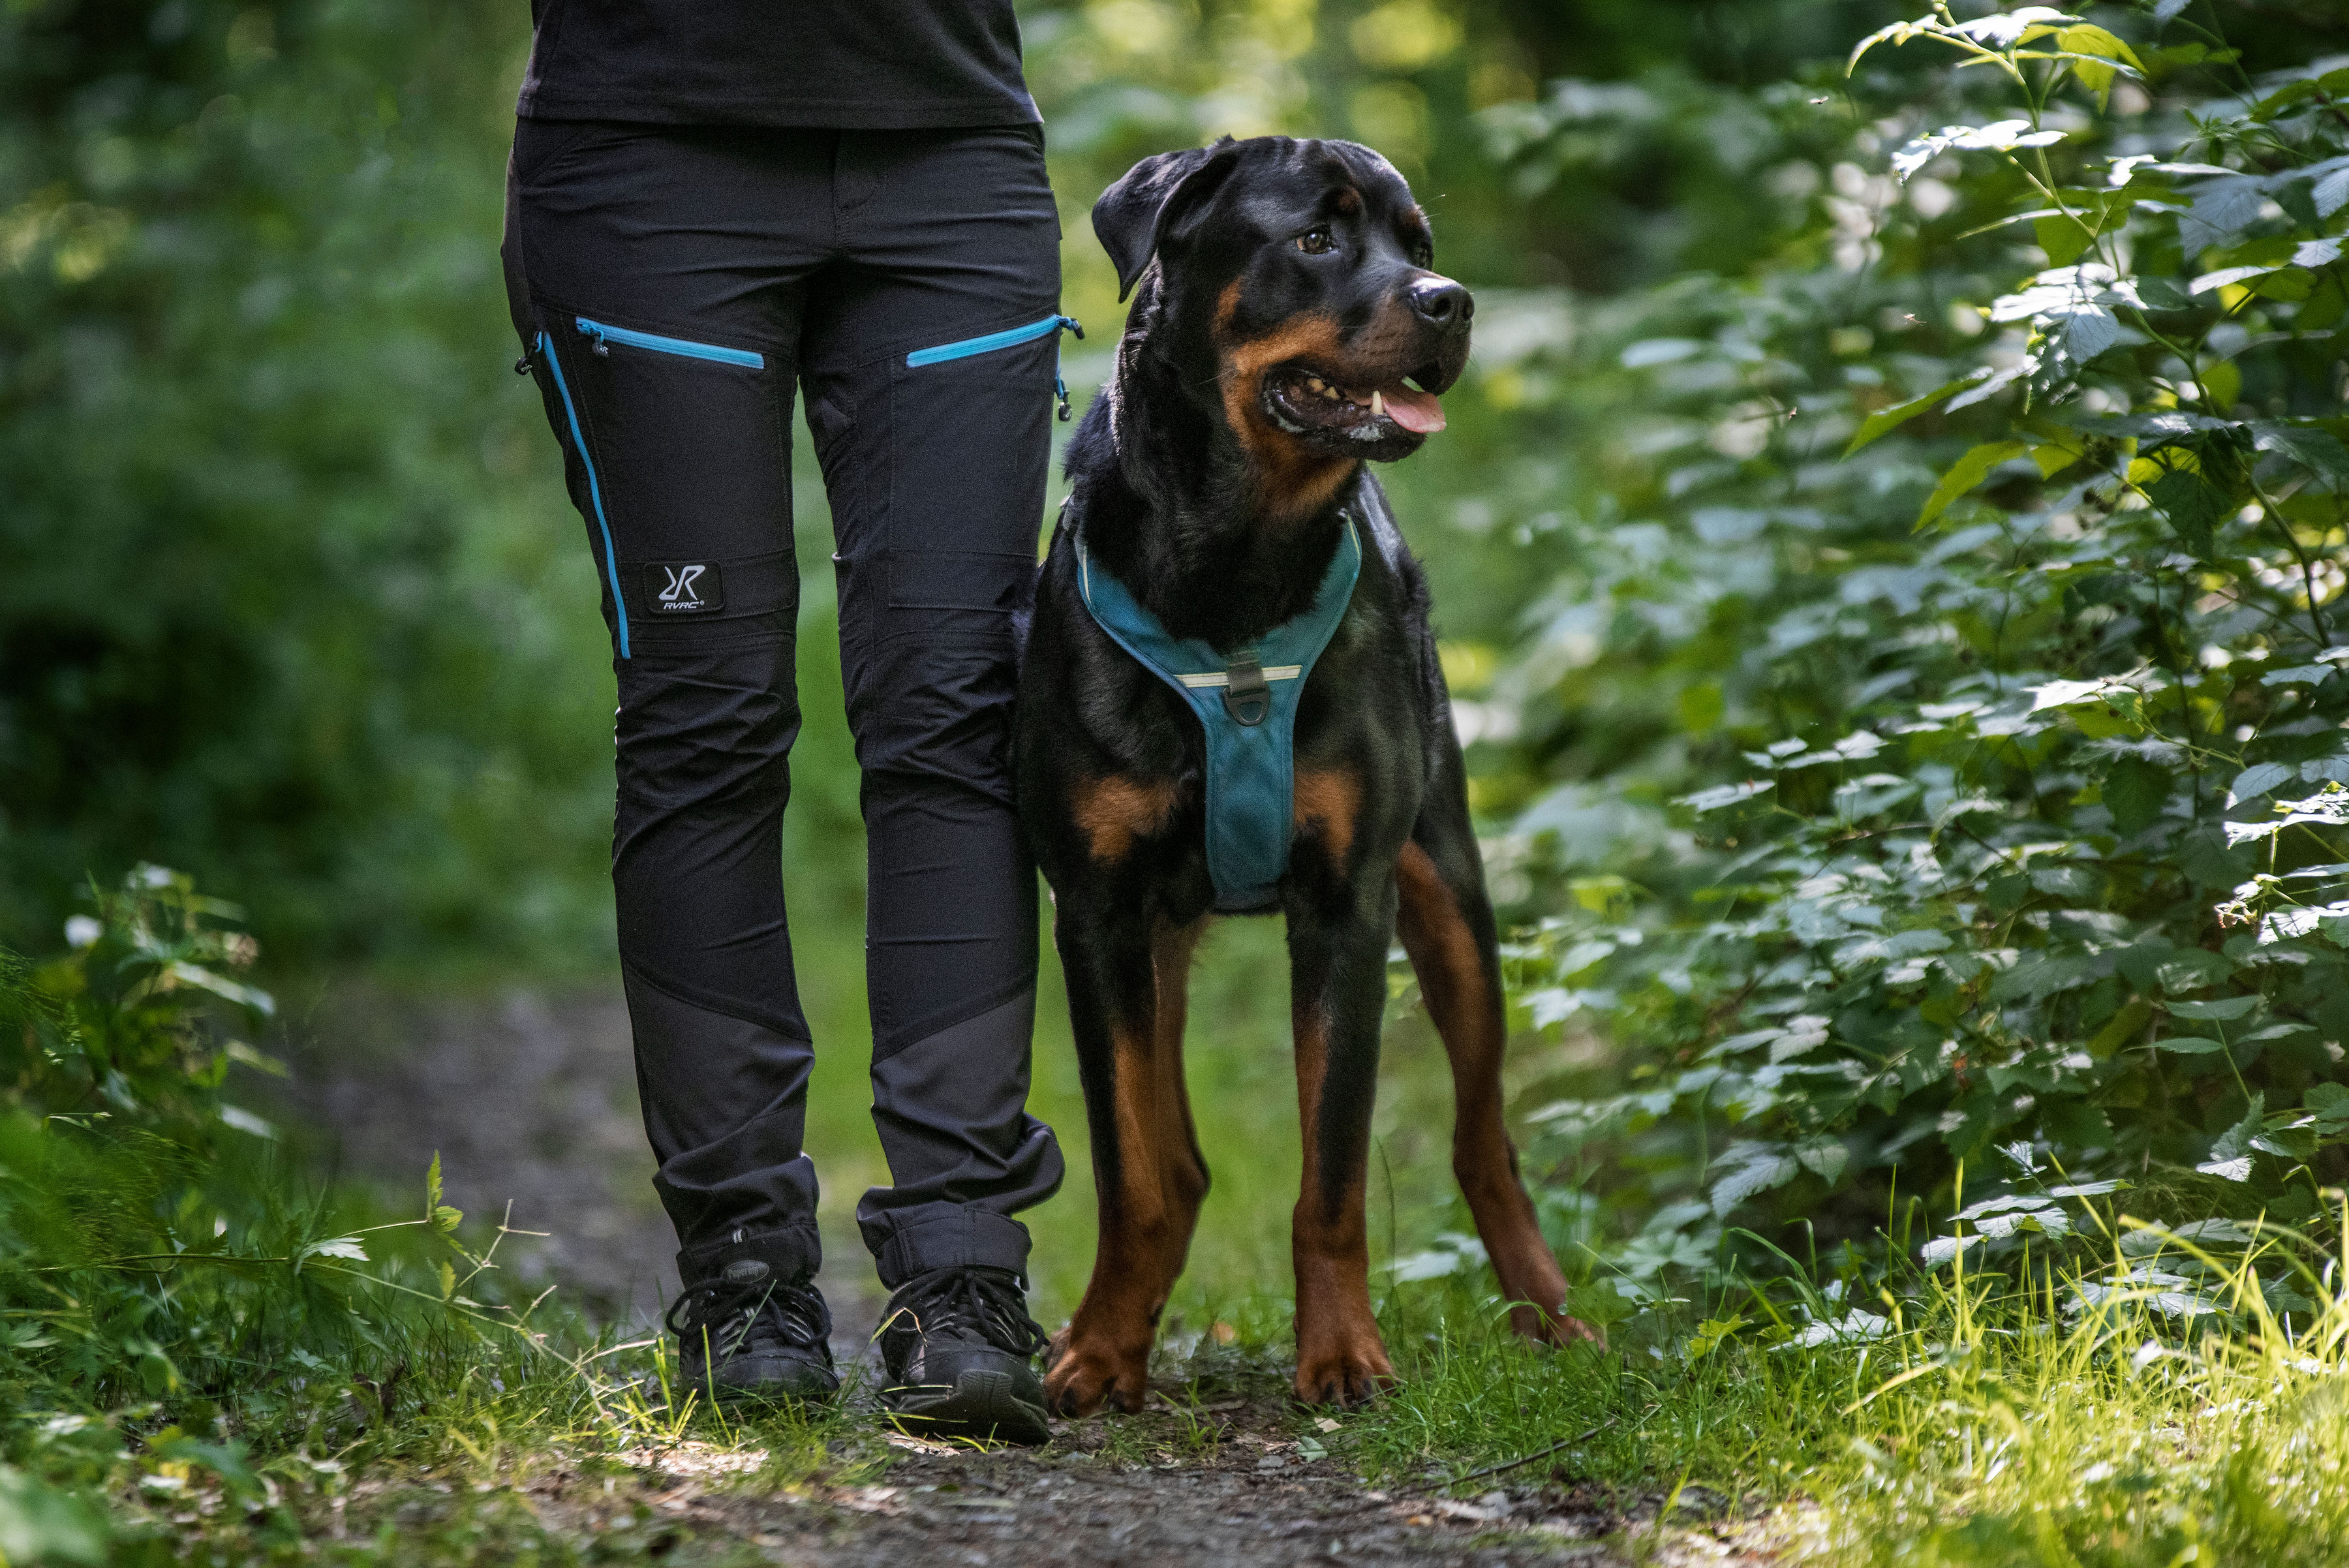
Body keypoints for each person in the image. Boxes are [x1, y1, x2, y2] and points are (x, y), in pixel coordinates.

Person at [499, 0, 1069, 1443]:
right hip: (647, 155)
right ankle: (745, 1285)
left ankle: (963, 1278)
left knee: (961, 704)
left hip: (949, 146)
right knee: (704, 713)